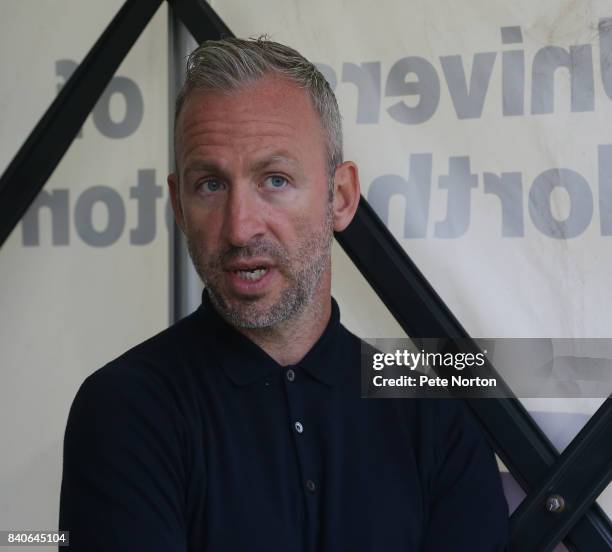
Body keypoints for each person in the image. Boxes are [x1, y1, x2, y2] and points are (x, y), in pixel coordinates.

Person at [59, 37, 508, 551]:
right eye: (209, 184)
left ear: (339, 198)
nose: (239, 227)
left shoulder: (432, 413)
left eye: (274, 179)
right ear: (179, 206)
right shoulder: (127, 408)